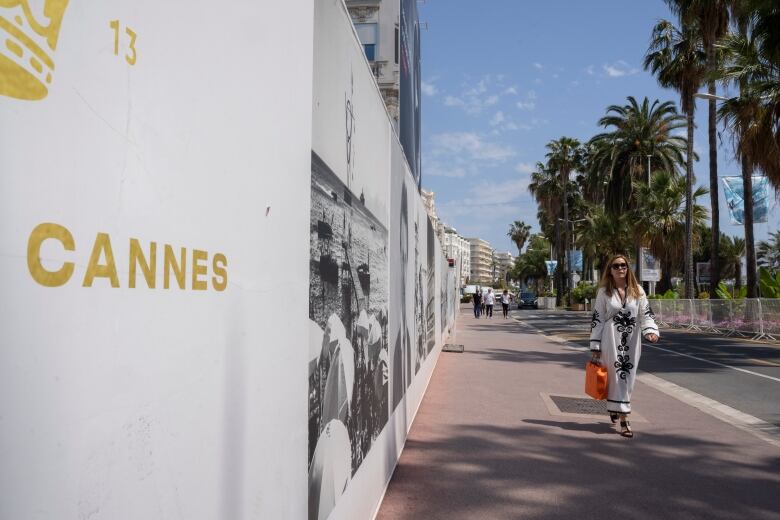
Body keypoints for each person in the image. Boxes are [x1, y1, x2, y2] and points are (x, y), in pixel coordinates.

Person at [589, 254, 659, 438]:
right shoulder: (604, 292)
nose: (621, 268)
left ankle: (615, 407)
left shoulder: (638, 291)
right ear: (610, 270)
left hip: (632, 340)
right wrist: (595, 346)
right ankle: (624, 419)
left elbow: (646, 313)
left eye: (624, 265)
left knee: (628, 376)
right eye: (616, 265)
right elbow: (598, 318)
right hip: (610, 338)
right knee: (616, 375)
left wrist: (650, 331)